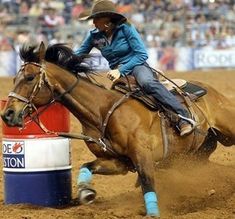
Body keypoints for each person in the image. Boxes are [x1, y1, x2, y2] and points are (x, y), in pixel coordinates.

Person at [74, 0, 196, 136]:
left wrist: (120, 71)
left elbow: (142, 54)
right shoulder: (94, 36)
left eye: (96, 19)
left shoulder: (126, 28)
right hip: (117, 73)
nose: (93, 23)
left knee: (147, 83)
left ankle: (183, 117)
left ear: (107, 19)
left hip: (136, 66)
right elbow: (78, 55)